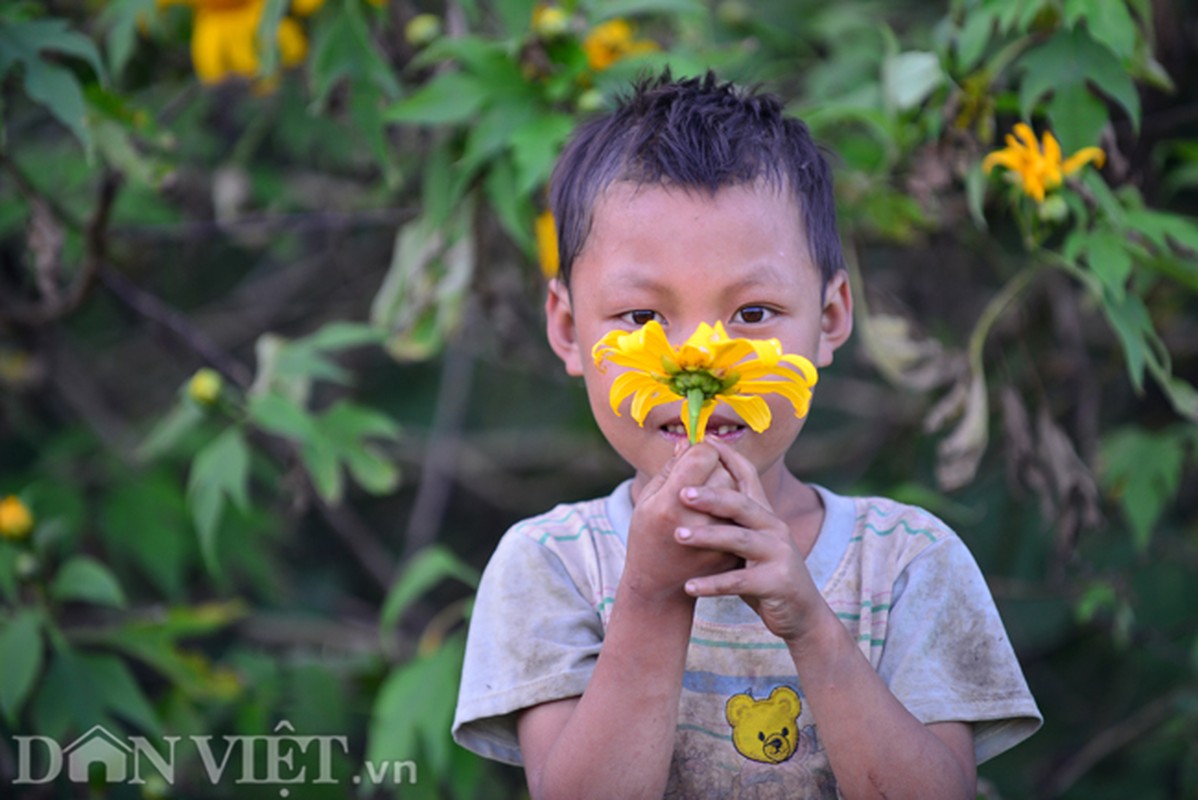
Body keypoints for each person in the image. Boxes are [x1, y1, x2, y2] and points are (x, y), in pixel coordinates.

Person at [452, 71, 1041, 799]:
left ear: (829, 319)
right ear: (569, 329)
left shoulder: (908, 565)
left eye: (754, 314)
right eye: (641, 319)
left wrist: (813, 629)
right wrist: (651, 594)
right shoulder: (549, 568)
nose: (699, 357)